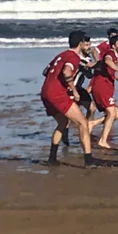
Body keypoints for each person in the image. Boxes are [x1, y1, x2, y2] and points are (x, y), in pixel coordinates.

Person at [40, 30, 95, 167]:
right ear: (80, 43)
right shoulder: (73, 57)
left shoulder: (61, 55)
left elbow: (45, 72)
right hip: (57, 93)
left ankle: (52, 159)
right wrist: (73, 89)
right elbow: (66, 71)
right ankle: (89, 160)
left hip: (45, 92)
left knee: (63, 123)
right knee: (82, 123)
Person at [89, 33, 118, 149]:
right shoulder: (110, 53)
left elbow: (107, 71)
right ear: (114, 46)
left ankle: (92, 123)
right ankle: (102, 140)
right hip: (101, 86)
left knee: (116, 114)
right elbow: (107, 61)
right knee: (111, 112)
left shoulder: (115, 56)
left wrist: (117, 78)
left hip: (107, 86)